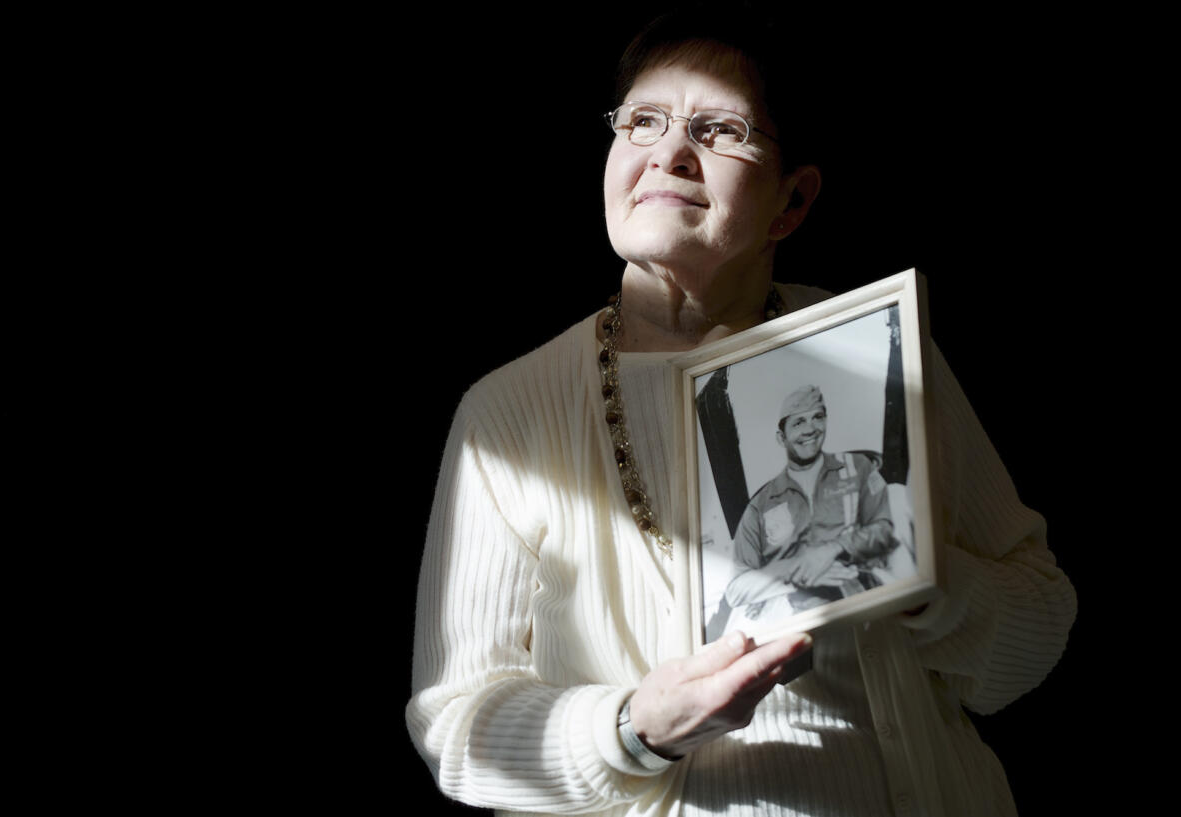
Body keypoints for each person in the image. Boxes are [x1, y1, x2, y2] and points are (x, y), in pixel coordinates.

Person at [406, 9, 1076, 816]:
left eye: (719, 128)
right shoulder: (508, 414)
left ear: (791, 203)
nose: (669, 153)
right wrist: (634, 728)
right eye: (643, 121)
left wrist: (923, 587)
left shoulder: (875, 351)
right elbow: (456, 723)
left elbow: (1036, 628)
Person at [724, 385, 899, 621]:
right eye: (798, 423)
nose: (810, 429)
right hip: (792, 611)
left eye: (817, 417)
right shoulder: (760, 505)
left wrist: (832, 549)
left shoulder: (858, 467)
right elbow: (736, 590)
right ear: (781, 437)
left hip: (861, 593)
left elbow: (884, 532)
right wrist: (801, 569)